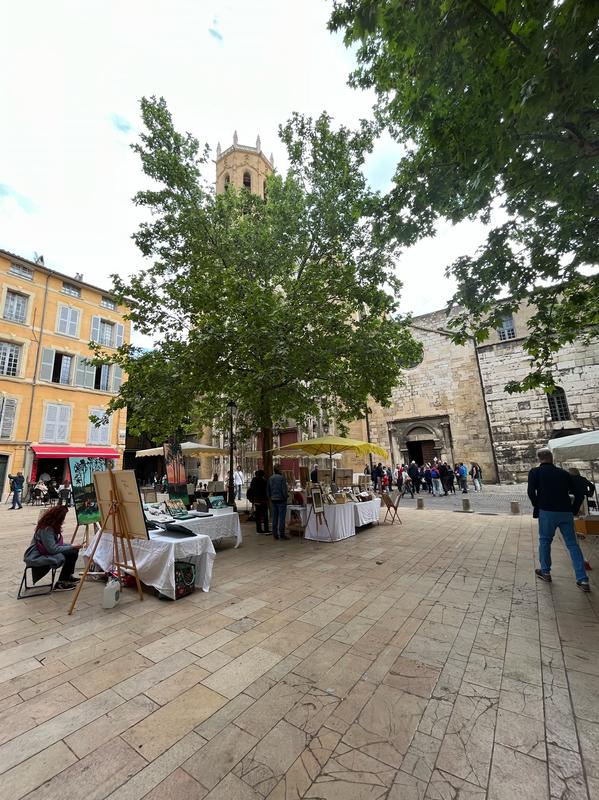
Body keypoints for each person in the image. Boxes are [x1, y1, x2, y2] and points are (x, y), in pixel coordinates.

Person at [528, 448, 588, 591]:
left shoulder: (535, 472)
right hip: (565, 512)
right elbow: (579, 493)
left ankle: (546, 571)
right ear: (552, 458)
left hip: (547, 512)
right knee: (573, 545)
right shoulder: (563, 473)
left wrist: (538, 504)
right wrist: (573, 509)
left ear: (539, 459)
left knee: (544, 541)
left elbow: (531, 492)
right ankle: (583, 579)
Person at [23, 505, 81, 591]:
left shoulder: (49, 526)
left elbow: (55, 545)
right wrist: (71, 546)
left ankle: (67, 576)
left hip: (44, 552)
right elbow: (53, 549)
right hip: (36, 556)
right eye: (63, 518)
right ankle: (61, 582)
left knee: (73, 550)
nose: (63, 521)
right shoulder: (47, 529)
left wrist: (71, 546)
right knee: (71, 553)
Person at [267, 465, 289, 540]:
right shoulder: (281, 478)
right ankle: (282, 534)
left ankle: (275, 534)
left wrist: (270, 497)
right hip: (281, 500)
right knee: (282, 518)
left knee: (274, 517)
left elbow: (268, 489)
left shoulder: (270, 478)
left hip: (273, 499)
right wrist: (286, 496)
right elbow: (284, 489)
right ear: (278, 470)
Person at [247, 469, 269, 533]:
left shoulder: (253, 480)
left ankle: (259, 529)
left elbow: (251, 489)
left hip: (256, 499)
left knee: (258, 515)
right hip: (263, 500)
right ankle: (266, 529)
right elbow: (266, 490)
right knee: (265, 515)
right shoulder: (263, 481)